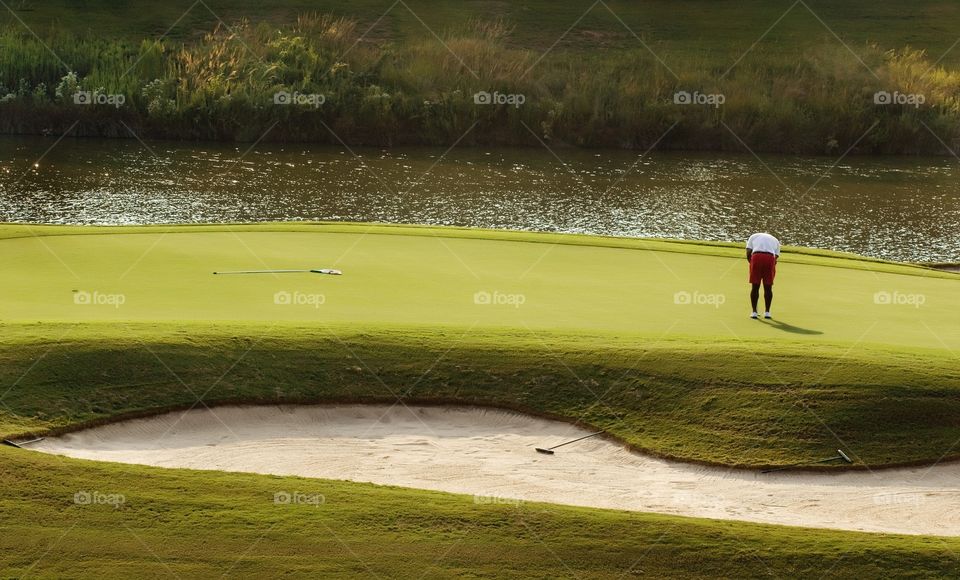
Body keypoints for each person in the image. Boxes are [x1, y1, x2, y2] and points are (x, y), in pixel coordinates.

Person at [746, 232, 780, 319]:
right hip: (770, 258)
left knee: (755, 286)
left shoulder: (753, 236)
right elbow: (776, 257)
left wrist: (751, 263)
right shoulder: (775, 240)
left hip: (756, 256)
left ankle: (754, 312)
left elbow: (748, 251)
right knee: (768, 286)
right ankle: (767, 312)